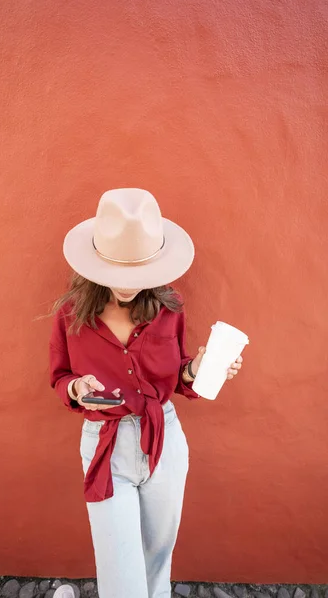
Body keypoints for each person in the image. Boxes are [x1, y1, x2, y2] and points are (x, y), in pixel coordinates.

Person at [49, 188, 243, 598]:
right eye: (116, 273)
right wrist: (77, 388)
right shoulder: (71, 313)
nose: (126, 285)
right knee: (122, 577)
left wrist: (201, 368)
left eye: (135, 274)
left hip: (164, 439)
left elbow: (177, 378)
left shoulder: (170, 308)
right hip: (105, 444)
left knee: (157, 563)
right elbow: (59, 376)